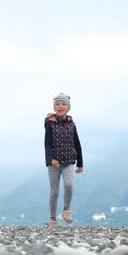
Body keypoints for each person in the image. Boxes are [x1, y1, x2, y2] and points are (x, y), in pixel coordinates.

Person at [44, 93, 83, 228]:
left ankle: (67, 209)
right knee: (54, 191)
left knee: (68, 185)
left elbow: (77, 144)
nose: (60, 106)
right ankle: (52, 218)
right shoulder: (50, 124)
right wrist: (50, 159)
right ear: (54, 107)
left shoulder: (72, 124)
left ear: (68, 107)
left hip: (68, 162)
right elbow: (47, 144)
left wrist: (80, 163)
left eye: (63, 104)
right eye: (57, 104)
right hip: (54, 164)